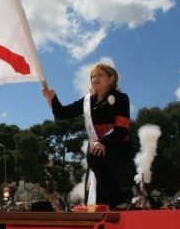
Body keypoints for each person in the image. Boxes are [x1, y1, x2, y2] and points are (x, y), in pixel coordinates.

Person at [42, 63, 132, 209]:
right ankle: (105, 210)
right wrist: (52, 98)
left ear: (111, 79)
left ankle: (120, 201)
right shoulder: (87, 101)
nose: (95, 78)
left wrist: (103, 142)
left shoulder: (121, 98)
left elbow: (122, 128)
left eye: (100, 75)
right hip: (97, 149)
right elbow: (62, 113)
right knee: (96, 188)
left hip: (117, 145)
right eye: (92, 76)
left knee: (94, 157)